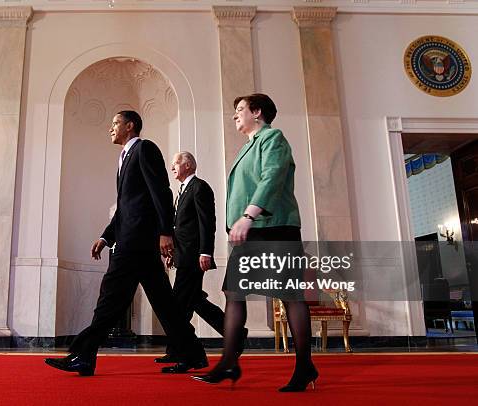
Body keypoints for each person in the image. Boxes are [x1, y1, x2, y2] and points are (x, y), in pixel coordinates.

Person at [44, 111, 207, 376]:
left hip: (137, 243)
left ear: (130, 126)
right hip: (133, 241)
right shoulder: (124, 157)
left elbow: (162, 192)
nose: (111, 129)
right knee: (165, 303)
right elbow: (126, 207)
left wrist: (165, 232)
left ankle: (83, 354)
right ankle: (194, 354)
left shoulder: (145, 149)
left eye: (115, 124)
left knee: (110, 299)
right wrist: (106, 236)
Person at [192, 94, 318, 391]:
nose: (235, 115)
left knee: (291, 297)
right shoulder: (248, 146)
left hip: (274, 227)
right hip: (252, 231)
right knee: (233, 293)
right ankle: (228, 362)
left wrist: (248, 215)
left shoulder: (273, 137)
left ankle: (304, 366)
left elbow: (272, 176)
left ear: (257, 112)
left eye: (240, 110)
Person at [155, 152, 230, 364]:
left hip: (194, 257)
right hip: (183, 255)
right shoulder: (181, 190)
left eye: (175, 164)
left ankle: (179, 351)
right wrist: (173, 253)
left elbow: (207, 223)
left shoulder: (200, 187)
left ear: (187, 165)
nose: (172, 168)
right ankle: (234, 334)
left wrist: (206, 252)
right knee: (192, 301)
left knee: (177, 304)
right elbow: (180, 228)